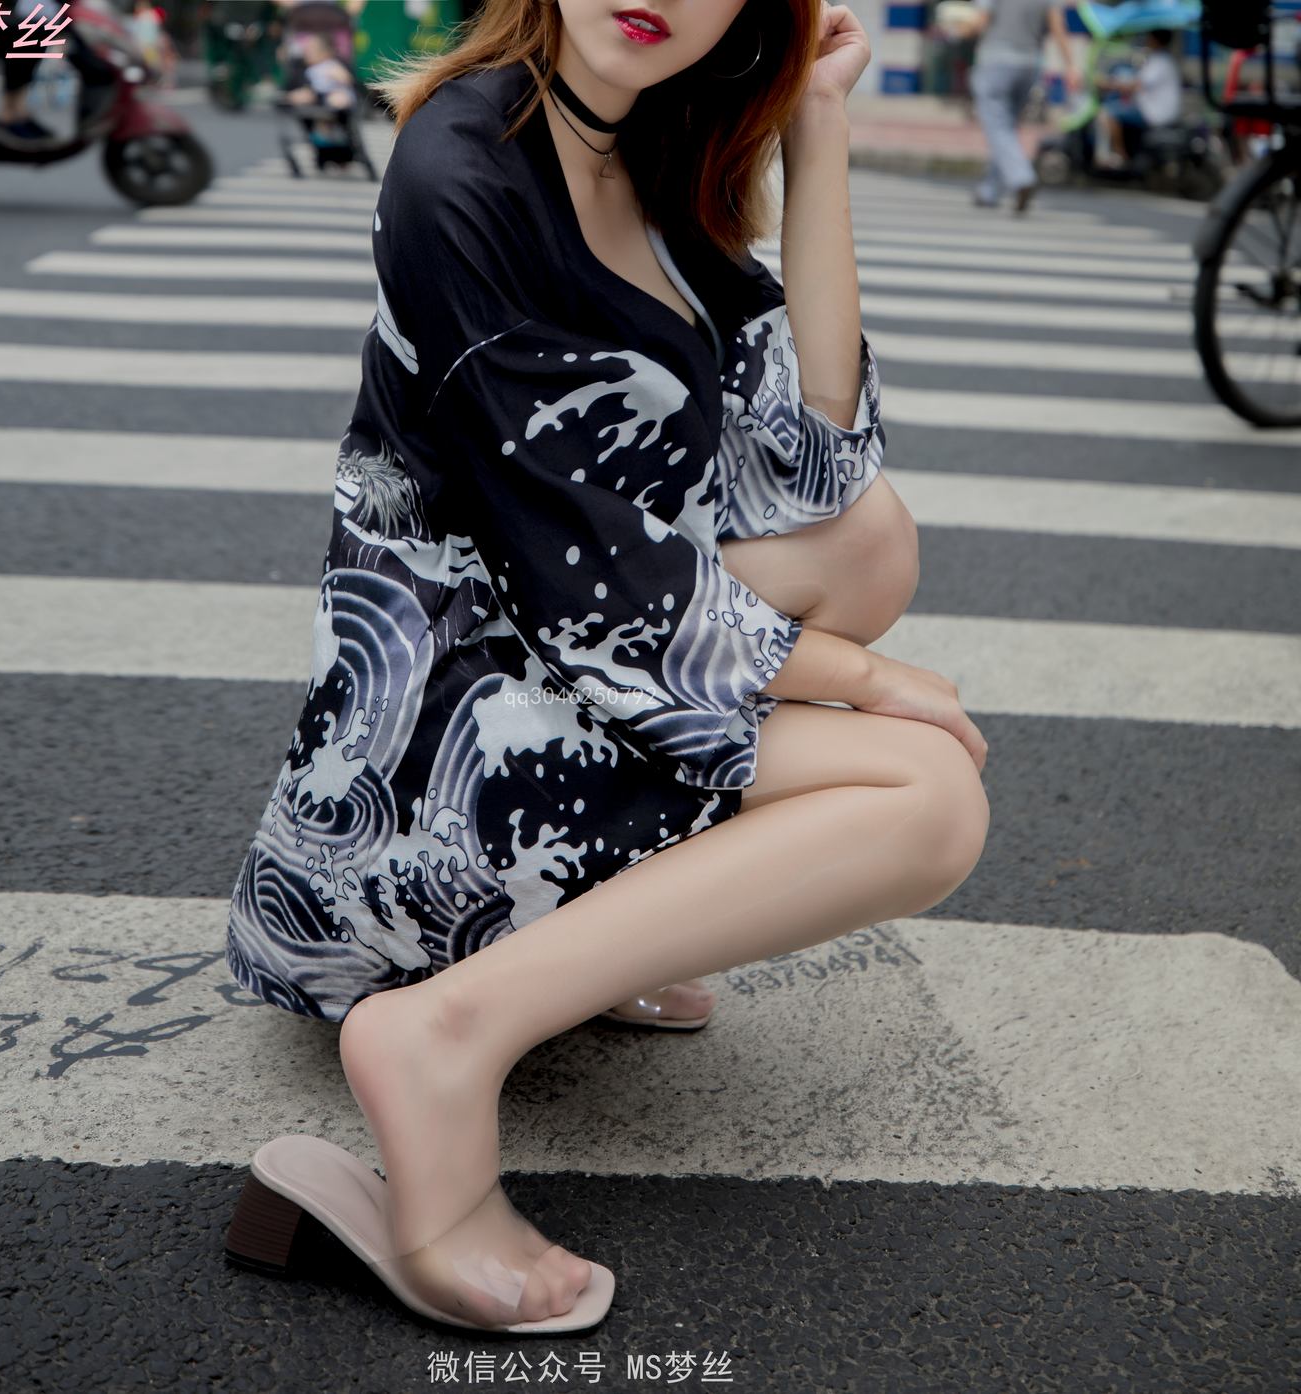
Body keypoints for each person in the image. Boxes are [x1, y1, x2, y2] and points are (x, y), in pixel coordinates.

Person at [224, 0, 989, 1333]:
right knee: (926, 799)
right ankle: (445, 1031)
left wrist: (815, 123)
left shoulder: (645, 149)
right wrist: (866, 684)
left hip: (553, 650)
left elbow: (810, 460)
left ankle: (592, 926)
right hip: (429, 774)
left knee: (867, 541)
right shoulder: (460, 172)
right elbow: (594, 593)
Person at [955, 0, 1079, 211]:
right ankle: (990, 190)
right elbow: (1058, 26)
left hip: (995, 62)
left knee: (998, 128)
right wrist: (1070, 66)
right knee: (1007, 129)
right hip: (1030, 64)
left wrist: (960, 30)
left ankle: (1021, 178)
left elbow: (980, 22)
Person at [1094, 28, 1183, 170]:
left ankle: (1118, 156)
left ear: (1154, 40)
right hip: (1152, 110)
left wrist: (1107, 84)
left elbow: (1135, 85)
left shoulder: (1160, 61)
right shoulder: (1160, 59)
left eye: (1149, 37)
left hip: (1154, 113)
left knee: (1108, 112)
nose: (1146, 40)